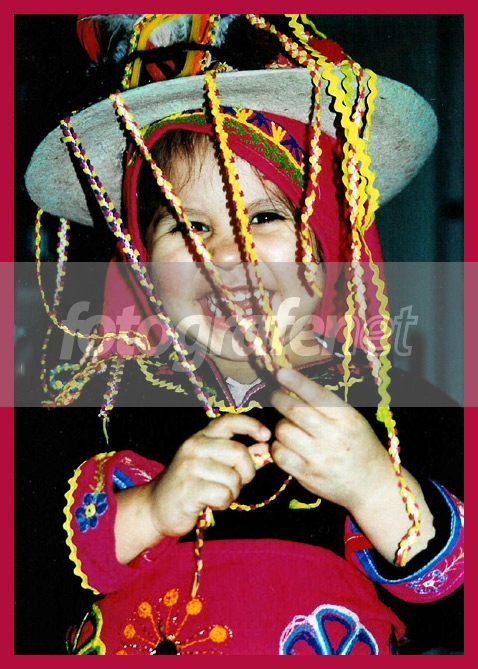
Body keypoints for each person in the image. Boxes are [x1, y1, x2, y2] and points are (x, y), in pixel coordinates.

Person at [21, 14, 463, 655]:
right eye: (189, 227)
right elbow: (24, 585)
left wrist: (377, 492)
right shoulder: (91, 404)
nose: (227, 256)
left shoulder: (406, 410)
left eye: (263, 217)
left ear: (329, 239)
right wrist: (148, 511)